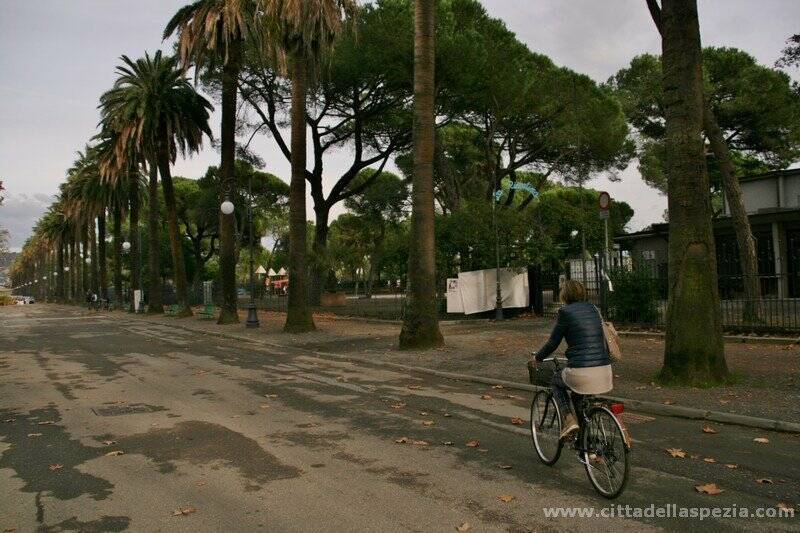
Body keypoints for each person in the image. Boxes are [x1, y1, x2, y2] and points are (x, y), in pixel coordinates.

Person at [531, 279, 612, 440]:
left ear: (565, 294)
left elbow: (553, 342)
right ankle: (585, 441)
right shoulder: (594, 309)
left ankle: (569, 420)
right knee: (577, 395)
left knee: (555, 381)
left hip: (581, 371)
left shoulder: (565, 312)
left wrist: (538, 357)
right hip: (604, 370)